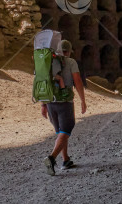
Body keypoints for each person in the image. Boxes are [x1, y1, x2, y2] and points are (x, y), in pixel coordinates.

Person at [41, 40, 86, 176]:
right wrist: (83, 100)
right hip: (64, 102)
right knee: (66, 129)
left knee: (60, 131)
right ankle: (51, 158)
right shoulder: (71, 62)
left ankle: (65, 160)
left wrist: (43, 105)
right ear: (69, 51)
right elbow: (77, 81)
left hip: (50, 102)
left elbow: (44, 83)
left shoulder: (49, 62)